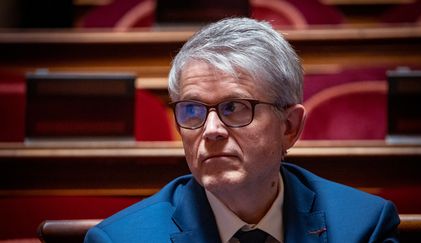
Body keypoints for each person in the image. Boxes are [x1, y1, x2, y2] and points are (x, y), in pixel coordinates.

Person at [85, 17, 400, 243]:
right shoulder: (121, 238)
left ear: (289, 127)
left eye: (233, 107)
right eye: (192, 110)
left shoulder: (362, 228)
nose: (210, 131)